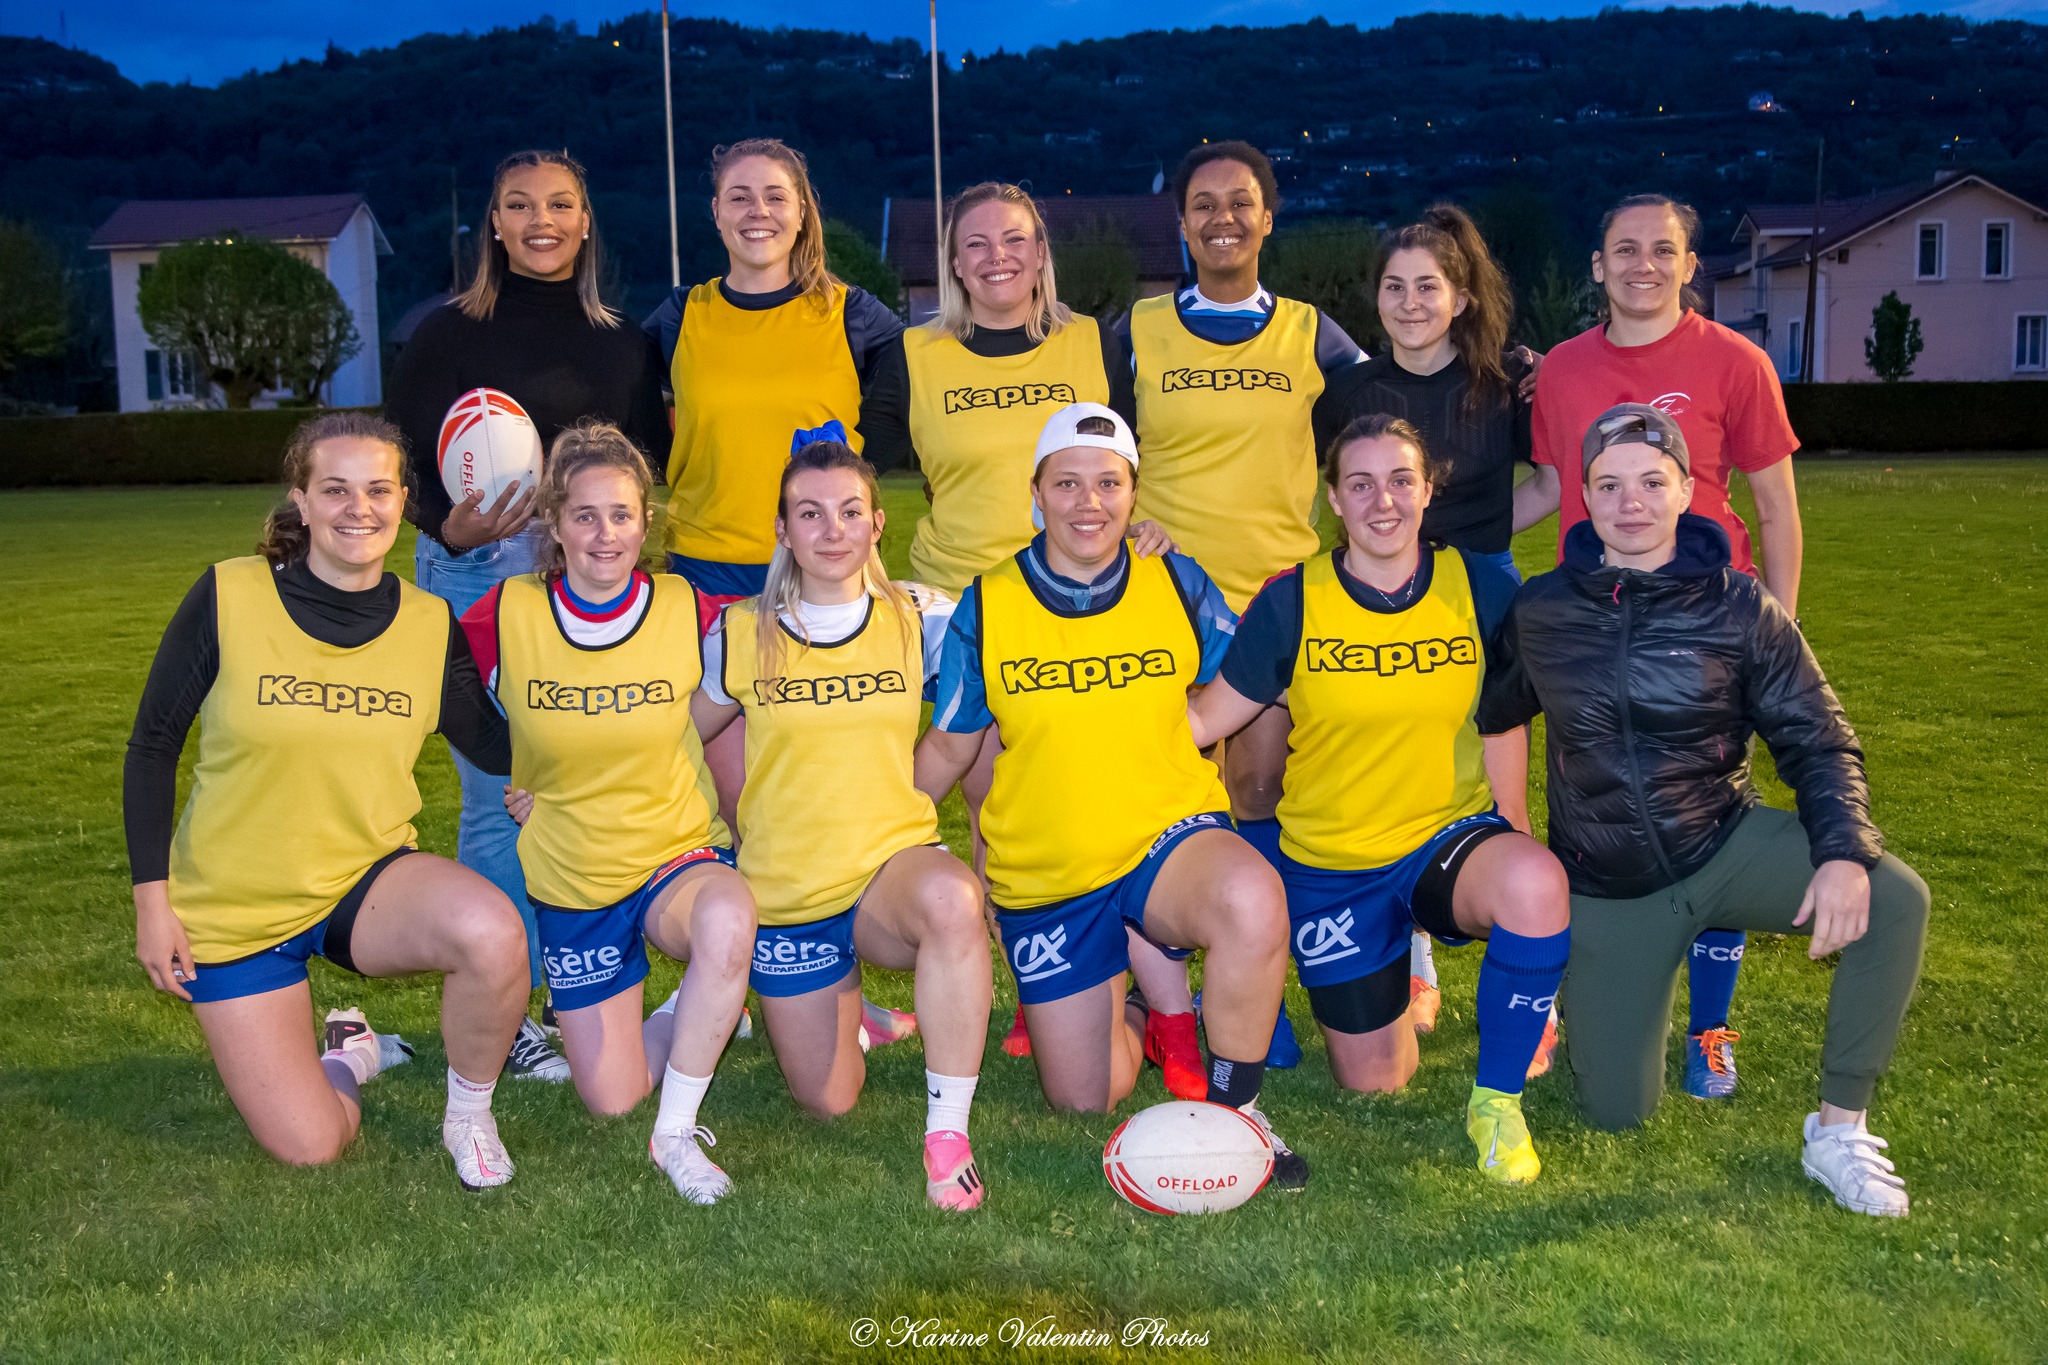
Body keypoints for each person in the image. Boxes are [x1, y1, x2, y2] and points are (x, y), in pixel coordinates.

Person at [1484, 404, 1928, 1216]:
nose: (1632, 501)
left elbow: (1820, 738)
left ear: (1689, 488)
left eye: (1653, 481)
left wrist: (1838, 851)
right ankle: (1585, 997)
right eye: (1609, 484)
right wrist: (1510, 822)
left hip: (1723, 844)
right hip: (1609, 883)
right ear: (1583, 495)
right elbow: (1496, 709)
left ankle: (1837, 1130)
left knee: (1894, 897)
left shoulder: (1740, 606)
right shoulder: (1542, 609)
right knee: (1617, 1111)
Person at [124, 412, 530, 1190]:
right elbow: (151, 747)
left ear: (404, 499)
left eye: (378, 489)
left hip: (362, 880)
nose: (359, 508)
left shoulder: (426, 620)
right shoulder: (228, 594)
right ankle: (351, 1052)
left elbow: (494, 741)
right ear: (301, 501)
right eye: (335, 489)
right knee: (311, 1144)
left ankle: (469, 1114)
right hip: (234, 908)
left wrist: (593, 729)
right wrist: (154, 901)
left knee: (491, 932)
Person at [915, 403, 1308, 1189]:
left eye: (1108, 483)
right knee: (1084, 1098)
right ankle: (1136, 1002)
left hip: (1166, 836)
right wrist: (878, 836)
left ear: (1134, 494)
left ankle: (1239, 1114)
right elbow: (952, 744)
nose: (1087, 501)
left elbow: (1246, 671)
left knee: (1252, 898)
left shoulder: (1173, 577)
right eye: (1067, 483)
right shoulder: (988, 605)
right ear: (1036, 492)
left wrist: (1201, 719)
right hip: (1050, 871)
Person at [858, 180, 1193, 1091]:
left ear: (1041, 252)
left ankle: (1104, 994)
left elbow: (1134, 455)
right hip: (960, 605)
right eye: (976, 243)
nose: (997, 256)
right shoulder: (913, 355)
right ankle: (1034, 987)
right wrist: (857, 569)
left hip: (1082, 605)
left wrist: (1147, 528)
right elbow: (860, 466)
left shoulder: (1094, 342)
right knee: (990, 811)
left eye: (1015, 239)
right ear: (953, 260)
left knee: (1064, 807)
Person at [1189, 415, 1571, 1184]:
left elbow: (1502, 715)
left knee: (1535, 883)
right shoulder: (1294, 599)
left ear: (1429, 490)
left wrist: (1518, 823)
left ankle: (1495, 1103)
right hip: (1333, 867)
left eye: (1401, 480)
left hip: (1445, 836)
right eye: (1360, 484)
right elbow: (1204, 720)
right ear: (1334, 497)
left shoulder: (1483, 585)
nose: (1383, 501)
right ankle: (1396, 980)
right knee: (1376, 1077)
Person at [387, 148, 671, 1082]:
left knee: (586, 776)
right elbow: (405, 464)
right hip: (478, 571)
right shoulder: (442, 332)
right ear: (495, 225)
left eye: (560, 204)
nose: (540, 219)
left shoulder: (625, 340)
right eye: (519, 205)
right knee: (496, 795)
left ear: (586, 222)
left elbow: (645, 464)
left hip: (585, 573)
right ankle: (507, 1011)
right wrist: (450, 525)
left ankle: (582, 987)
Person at [1521, 193, 1808, 1095]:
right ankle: (1572, 991)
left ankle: (1710, 1027)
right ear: (1598, 268)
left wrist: (1778, 635)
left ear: (1690, 266)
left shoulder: (1738, 361)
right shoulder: (1563, 369)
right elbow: (1547, 488)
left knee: (1715, 823)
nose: (1643, 263)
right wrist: (1433, 523)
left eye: (1664, 249)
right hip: (1596, 634)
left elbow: (1776, 507)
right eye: (1623, 250)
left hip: (1707, 638)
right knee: (1590, 821)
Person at [641, 137, 913, 1050]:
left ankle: (839, 985)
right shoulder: (680, 315)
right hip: (717, 575)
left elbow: (896, 411)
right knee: (742, 801)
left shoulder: (855, 312)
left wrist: (846, 491)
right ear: (714, 212)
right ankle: (739, 972)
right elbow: (639, 431)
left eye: (777, 195)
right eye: (738, 195)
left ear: (804, 211)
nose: (758, 210)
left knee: (830, 794)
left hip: (828, 576)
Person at [690, 442, 993, 1211]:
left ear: (878, 523)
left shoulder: (919, 618)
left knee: (956, 901)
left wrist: (1145, 548)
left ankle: (947, 1133)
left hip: (890, 871)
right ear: (784, 532)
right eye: (811, 514)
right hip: (789, 895)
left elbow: (1027, 641)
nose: (832, 530)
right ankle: (854, 1011)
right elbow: (662, 736)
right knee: (829, 1101)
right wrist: (550, 790)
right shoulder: (741, 632)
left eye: (850, 511)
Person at [1124, 141, 1371, 1070]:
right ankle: (1169, 997)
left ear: (1269, 218)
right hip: (1166, 595)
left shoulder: (1313, 333)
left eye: (1241, 201)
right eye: (1202, 204)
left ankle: (1252, 981)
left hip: (1274, 598)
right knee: (1171, 797)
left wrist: (1500, 371)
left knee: (1257, 788)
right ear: (1181, 223)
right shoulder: (1138, 329)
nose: (1222, 217)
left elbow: (1397, 399)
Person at [469, 424, 756, 1205]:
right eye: (586, 515)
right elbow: (433, 692)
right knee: (610, 1095)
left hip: (674, 857)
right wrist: (519, 772)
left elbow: (798, 615)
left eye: (623, 515)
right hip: (574, 879)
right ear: (554, 524)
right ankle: (699, 1007)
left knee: (729, 918)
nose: (606, 534)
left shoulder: (688, 606)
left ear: (647, 521)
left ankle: (677, 1132)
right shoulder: (502, 613)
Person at [1311, 204, 1552, 1047]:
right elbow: (1340, 498)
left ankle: (1529, 966)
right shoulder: (1345, 394)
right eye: (1394, 286)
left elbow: (1553, 483)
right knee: (1398, 766)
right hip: (1378, 593)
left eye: (1429, 286)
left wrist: (1482, 541)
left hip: (1479, 593)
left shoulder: (1506, 383)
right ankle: (1413, 946)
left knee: (1502, 783)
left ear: (1460, 296)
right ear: (1374, 297)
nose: (1410, 302)